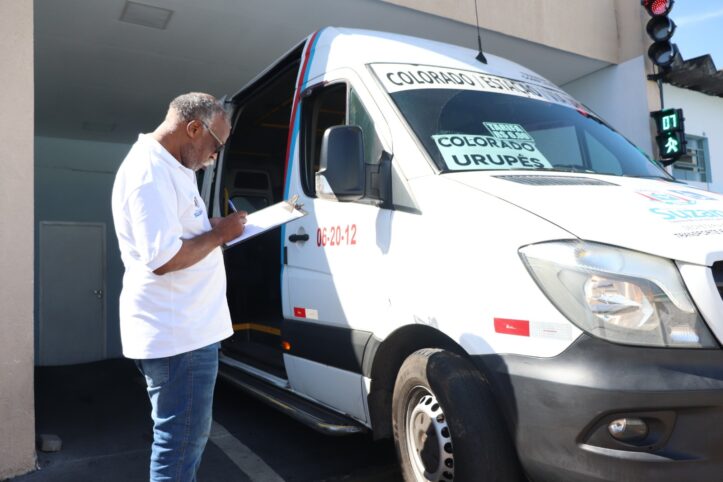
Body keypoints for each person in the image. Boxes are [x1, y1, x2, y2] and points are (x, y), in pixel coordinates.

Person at [111, 92, 246, 481]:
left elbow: (176, 232)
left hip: (187, 332)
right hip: (178, 338)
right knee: (180, 445)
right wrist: (219, 236)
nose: (215, 156)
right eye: (216, 144)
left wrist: (214, 226)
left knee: (184, 442)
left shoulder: (172, 166)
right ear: (193, 128)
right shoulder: (150, 172)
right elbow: (164, 258)